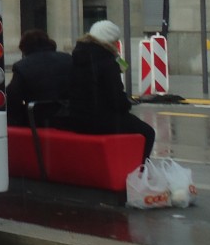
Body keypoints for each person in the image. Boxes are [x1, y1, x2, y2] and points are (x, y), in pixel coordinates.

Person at [60, 19, 155, 160]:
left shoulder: (76, 56)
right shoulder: (107, 60)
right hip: (99, 120)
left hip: (76, 118)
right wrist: (127, 105)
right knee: (147, 132)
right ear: (109, 41)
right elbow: (116, 98)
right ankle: (138, 169)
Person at [5, 29, 72, 127]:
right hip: (69, 119)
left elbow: (12, 98)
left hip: (38, 122)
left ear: (24, 48)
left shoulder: (22, 66)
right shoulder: (68, 59)